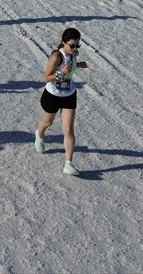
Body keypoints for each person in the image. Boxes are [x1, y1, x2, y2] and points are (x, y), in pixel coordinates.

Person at [34, 28, 89, 176]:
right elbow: (46, 77)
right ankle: (39, 134)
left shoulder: (74, 54)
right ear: (64, 42)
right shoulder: (56, 57)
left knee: (68, 129)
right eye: (72, 45)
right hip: (52, 95)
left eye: (77, 45)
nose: (75, 48)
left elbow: (70, 68)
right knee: (47, 123)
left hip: (69, 94)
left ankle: (68, 164)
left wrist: (78, 65)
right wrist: (61, 73)